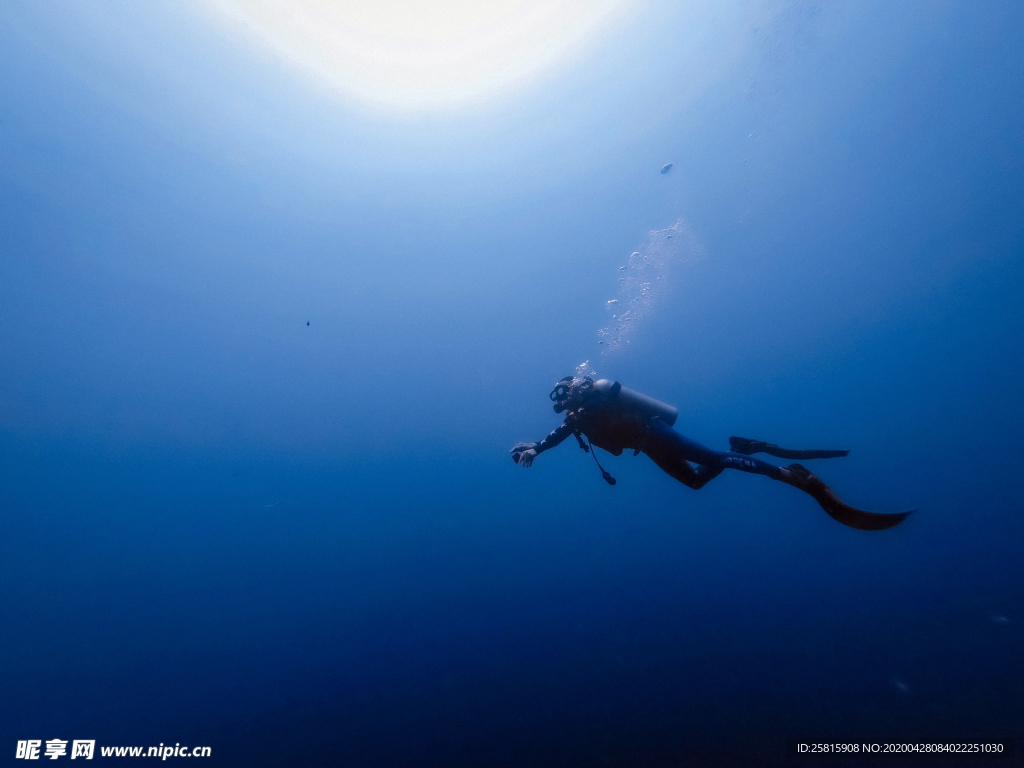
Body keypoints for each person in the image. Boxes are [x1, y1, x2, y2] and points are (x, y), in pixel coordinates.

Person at [510, 376, 913, 531]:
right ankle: (742, 448)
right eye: (564, 403)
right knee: (698, 481)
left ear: (576, 390)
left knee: (714, 461)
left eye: (568, 398)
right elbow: (561, 432)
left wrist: (553, 434)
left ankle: (793, 476)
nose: (566, 407)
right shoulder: (577, 417)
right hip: (647, 448)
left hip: (654, 432)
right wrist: (537, 448)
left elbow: (574, 421)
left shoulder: (594, 400)